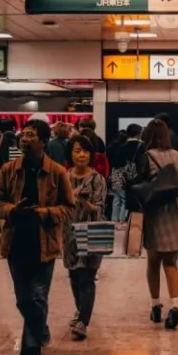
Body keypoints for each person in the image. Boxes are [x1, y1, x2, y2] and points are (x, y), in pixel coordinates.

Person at [0, 119, 75, 355]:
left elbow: (69, 208)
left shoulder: (57, 172)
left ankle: (30, 353)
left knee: (37, 296)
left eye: (30, 135)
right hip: (16, 241)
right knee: (23, 299)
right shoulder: (8, 170)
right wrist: (11, 210)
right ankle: (42, 328)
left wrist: (45, 213)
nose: (24, 139)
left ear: (43, 141)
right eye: (23, 135)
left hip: (44, 243)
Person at [137, 120, 178, 331]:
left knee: (153, 261)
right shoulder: (176, 155)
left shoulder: (146, 157)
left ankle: (156, 305)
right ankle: (174, 306)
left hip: (154, 210)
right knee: (171, 262)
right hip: (175, 208)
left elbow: (140, 183)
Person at [63, 135, 106, 340]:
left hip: (91, 231)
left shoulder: (97, 179)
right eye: (77, 151)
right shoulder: (64, 176)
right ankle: (80, 311)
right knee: (73, 274)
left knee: (87, 276)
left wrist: (84, 201)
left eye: (86, 151)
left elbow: (99, 209)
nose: (82, 155)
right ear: (70, 154)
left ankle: (83, 322)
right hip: (68, 233)